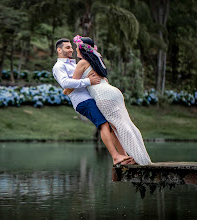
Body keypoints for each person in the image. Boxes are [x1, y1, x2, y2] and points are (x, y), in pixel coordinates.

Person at [63, 35, 152, 165]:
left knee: (118, 126)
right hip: (114, 92)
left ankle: (137, 158)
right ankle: (135, 156)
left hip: (103, 96)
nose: (76, 51)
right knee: (126, 124)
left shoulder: (82, 63)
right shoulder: (98, 61)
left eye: (77, 48)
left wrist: (65, 90)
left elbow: (72, 85)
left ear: (82, 49)